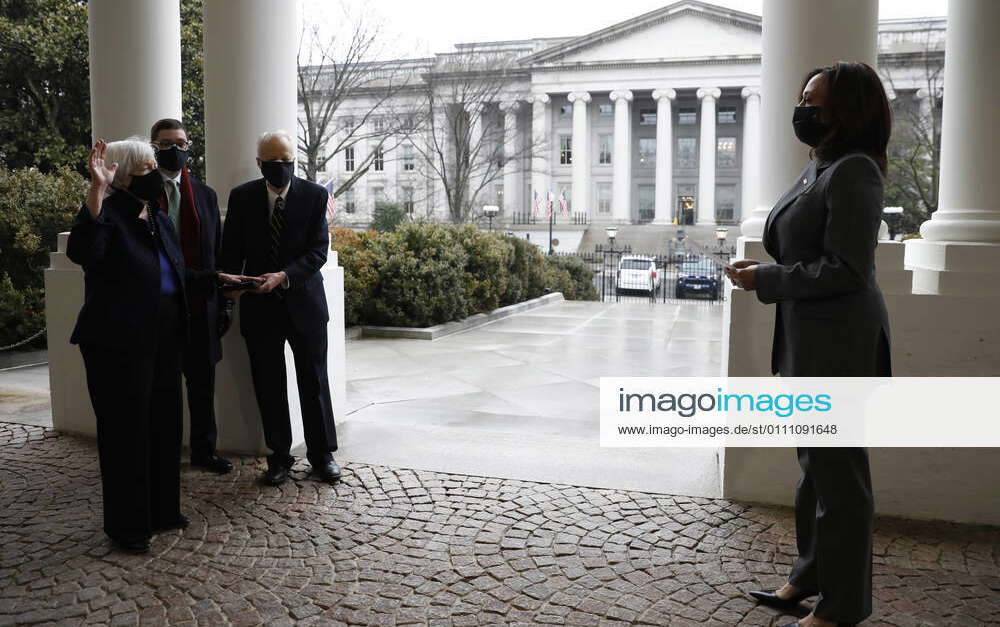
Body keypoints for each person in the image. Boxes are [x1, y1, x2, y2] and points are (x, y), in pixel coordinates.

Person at [728, 61, 892, 627]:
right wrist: (766, 269)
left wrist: (766, 280)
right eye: (802, 99)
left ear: (848, 112)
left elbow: (847, 269)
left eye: (814, 104)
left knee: (840, 479)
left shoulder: (854, 172)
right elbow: (803, 248)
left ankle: (844, 607)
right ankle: (809, 576)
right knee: (813, 469)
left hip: (840, 346)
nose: (803, 111)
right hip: (810, 340)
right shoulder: (820, 167)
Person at [67, 138, 254, 553]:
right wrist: (96, 191)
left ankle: (162, 509)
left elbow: (178, 273)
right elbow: (85, 252)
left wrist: (219, 280)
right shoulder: (107, 214)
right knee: (126, 436)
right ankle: (128, 526)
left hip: (166, 341)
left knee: (166, 427)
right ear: (121, 175)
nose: (156, 172)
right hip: (118, 346)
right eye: (147, 167)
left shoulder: (156, 216)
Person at [219, 130, 341, 486]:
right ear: (259, 163)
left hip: (305, 305)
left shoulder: (315, 196)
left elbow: (318, 251)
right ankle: (279, 457)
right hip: (259, 308)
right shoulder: (242, 198)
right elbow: (231, 252)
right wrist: (231, 287)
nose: (281, 168)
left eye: (287, 162)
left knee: (314, 381)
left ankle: (322, 455)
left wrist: (284, 276)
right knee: (268, 384)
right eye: (272, 163)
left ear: (294, 161)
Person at [151, 118, 233, 474]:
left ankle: (204, 451)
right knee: (161, 388)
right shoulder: (139, 192)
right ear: (153, 148)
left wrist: (225, 301)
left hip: (201, 305)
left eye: (181, 143)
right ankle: (162, 453)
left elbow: (217, 253)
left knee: (202, 385)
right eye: (167, 144)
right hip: (159, 306)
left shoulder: (205, 195)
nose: (175, 150)